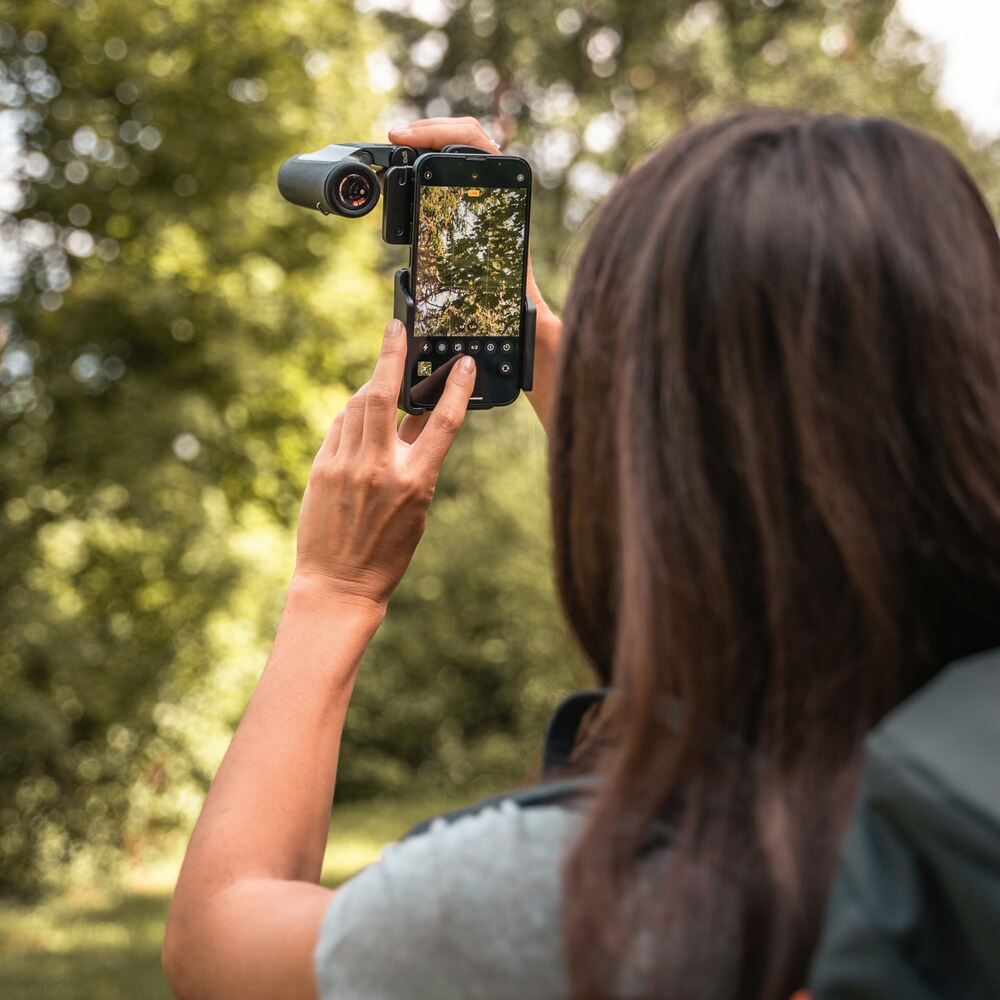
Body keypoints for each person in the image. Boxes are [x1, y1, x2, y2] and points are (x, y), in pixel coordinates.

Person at [161, 110, 1000, 1000]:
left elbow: (216, 940)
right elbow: (747, 527)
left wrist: (334, 590)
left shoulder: (578, 902)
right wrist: (535, 339)